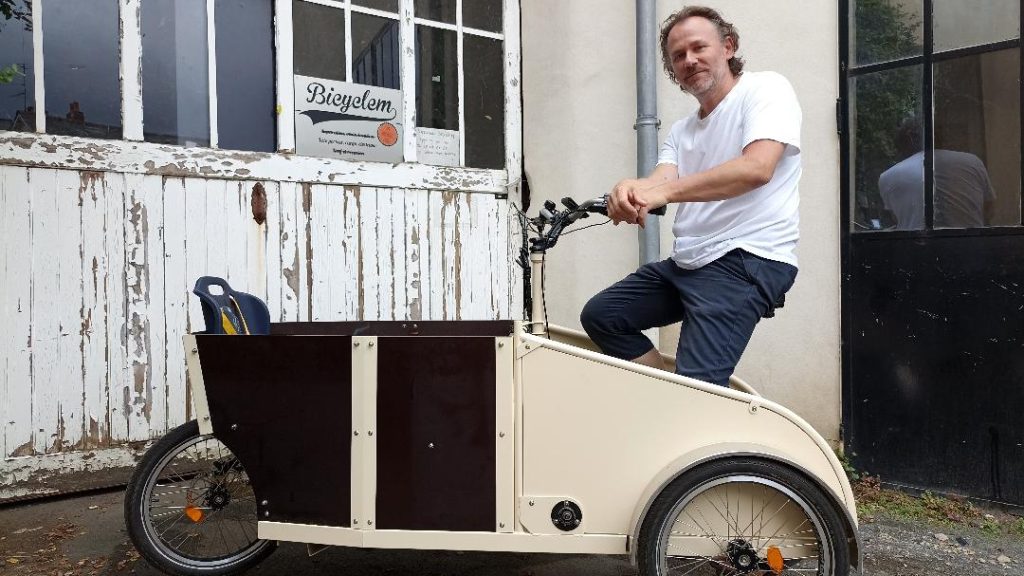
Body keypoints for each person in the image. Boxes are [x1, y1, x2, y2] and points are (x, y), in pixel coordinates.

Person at [580, 6, 801, 387]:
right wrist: (628, 191)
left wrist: (658, 191)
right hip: (689, 263)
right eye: (678, 56)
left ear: (728, 46)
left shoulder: (766, 89)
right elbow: (657, 184)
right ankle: (664, 398)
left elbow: (756, 168)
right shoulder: (682, 131)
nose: (689, 60)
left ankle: (682, 407)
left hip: (745, 259)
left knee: (696, 391)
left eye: (699, 47)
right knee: (603, 315)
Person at [878, 117, 996, 230]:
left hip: (917, 248)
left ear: (904, 142)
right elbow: (989, 209)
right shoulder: (972, 162)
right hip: (972, 246)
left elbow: (896, 219)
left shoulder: (888, 176)